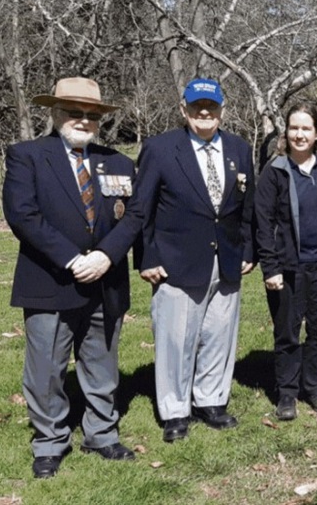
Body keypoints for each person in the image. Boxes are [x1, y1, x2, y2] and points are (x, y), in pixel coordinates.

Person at [3, 77, 142, 478]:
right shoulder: (27, 155)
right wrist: (71, 259)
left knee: (102, 363)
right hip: (50, 279)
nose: (83, 121)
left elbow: (133, 216)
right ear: (55, 113)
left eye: (91, 115)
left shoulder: (117, 161)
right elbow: (23, 215)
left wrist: (106, 255)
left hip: (105, 278)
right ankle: (50, 441)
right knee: (46, 368)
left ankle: (101, 433)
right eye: (73, 112)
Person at [132, 78, 255, 442]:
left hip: (228, 258)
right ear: (184, 110)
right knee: (175, 339)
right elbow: (142, 209)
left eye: (212, 106)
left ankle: (211, 401)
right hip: (176, 261)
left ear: (222, 109)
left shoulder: (238, 148)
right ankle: (175, 410)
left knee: (220, 334)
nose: (205, 113)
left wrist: (249, 249)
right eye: (197, 106)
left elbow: (246, 208)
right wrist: (146, 257)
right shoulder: (160, 148)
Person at [255, 106, 317, 419]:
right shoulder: (274, 171)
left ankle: (315, 387)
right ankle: (287, 393)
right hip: (289, 267)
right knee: (287, 332)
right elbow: (262, 223)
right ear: (285, 133)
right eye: (294, 128)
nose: (300, 135)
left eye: (306, 129)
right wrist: (271, 267)